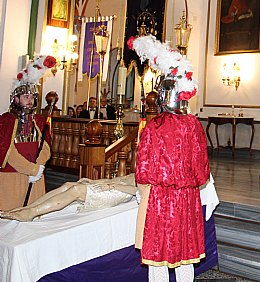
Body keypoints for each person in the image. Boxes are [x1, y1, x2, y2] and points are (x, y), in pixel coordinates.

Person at [131, 35, 210, 282]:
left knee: (158, 258)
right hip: (186, 198)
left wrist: (142, 189)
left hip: (159, 199)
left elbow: (142, 167)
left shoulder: (153, 126)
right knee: (185, 255)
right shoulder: (194, 125)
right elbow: (202, 171)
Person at [0, 55, 56, 211]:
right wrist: (30, 169)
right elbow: (7, 151)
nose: (30, 100)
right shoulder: (4, 121)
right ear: (15, 98)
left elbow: (45, 146)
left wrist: (38, 167)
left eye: (32, 96)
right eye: (25, 96)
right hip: (12, 179)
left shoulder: (39, 120)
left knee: (33, 218)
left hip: (36, 179)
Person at [0, 174, 136, 221]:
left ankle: (31, 213)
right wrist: (93, 181)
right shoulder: (142, 167)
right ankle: (27, 208)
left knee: (76, 190)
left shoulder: (153, 174)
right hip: (112, 187)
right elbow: (120, 179)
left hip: (119, 193)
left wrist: (112, 187)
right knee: (68, 184)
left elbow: (139, 191)